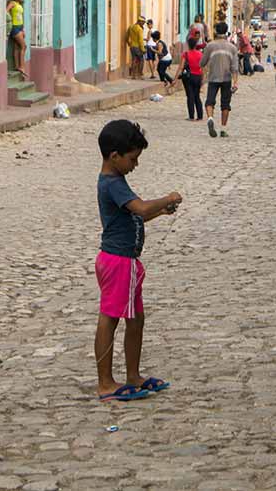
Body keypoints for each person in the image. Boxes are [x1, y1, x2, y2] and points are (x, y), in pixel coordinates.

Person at [94, 120, 181, 402]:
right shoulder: (112, 184)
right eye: (133, 159)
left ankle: (133, 375)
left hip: (126, 263)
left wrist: (161, 212)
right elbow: (141, 207)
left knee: (136, 319)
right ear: (114, 156)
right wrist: (166, 197)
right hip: (118, 262)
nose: (135, 165)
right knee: (110, 319)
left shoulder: (117, 181)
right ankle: (105, 383)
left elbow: (139, 215)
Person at [201, 21, 240, 138]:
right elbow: (235, 68)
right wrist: (235, 82)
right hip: (227, 79)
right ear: (226, 31)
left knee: (209, 101)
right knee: (225, 104)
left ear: (216, 32)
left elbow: (202, 63)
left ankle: (210, 118)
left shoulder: (210, 46)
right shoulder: (232, 48)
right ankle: (223, 129)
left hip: (213, 78)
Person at [173, 36, 204, 121]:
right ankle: (200, 116)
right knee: (197, 96)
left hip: (189, 77)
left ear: (188, 45)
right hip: (198, 76)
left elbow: (181, 67)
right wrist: (202, 79)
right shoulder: (200, 54)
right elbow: (203, 67)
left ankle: (191, 116)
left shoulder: (186, 54)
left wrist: (175, 79)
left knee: (190, 96)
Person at [6, 0, 27, 78]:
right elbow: (6, 11)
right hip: (14, 27)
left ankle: (17, 66)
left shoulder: (20, 5)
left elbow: (21, 17)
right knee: (23, 46)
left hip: (20, 27)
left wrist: (23, 29)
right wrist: (9, 20)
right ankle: (22, 67)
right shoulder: (12, 3)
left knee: (17, 47)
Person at [127, 15, 146, 79]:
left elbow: (127, 36)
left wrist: (128, 43)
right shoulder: (139, 29)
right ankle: (140, 75)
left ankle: (133, 75)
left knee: (134, 60)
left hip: (132, 46)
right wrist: (143, 49)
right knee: (141, 60)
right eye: (143, 22)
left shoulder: (131, 27)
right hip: (137, 47)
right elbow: (140, 40)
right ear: (140, 21)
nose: (143, 24)